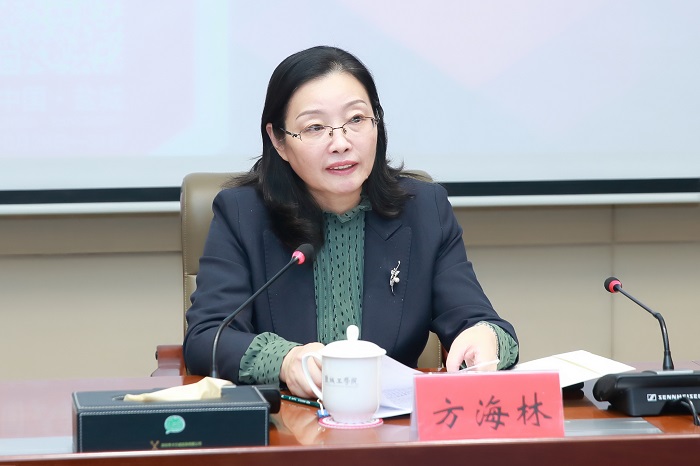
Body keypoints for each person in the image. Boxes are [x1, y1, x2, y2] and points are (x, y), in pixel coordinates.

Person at [183, 45, 519, 398]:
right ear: (279, 140)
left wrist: (486, 337)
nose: (341, 143)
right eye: (315, 127)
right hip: (287, 423)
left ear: (377, 122)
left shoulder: (424, 210)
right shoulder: (242, 214)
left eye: (356, 120)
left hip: (391, 423)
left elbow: (479, 321)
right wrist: (285, 360)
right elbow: (208, 338)